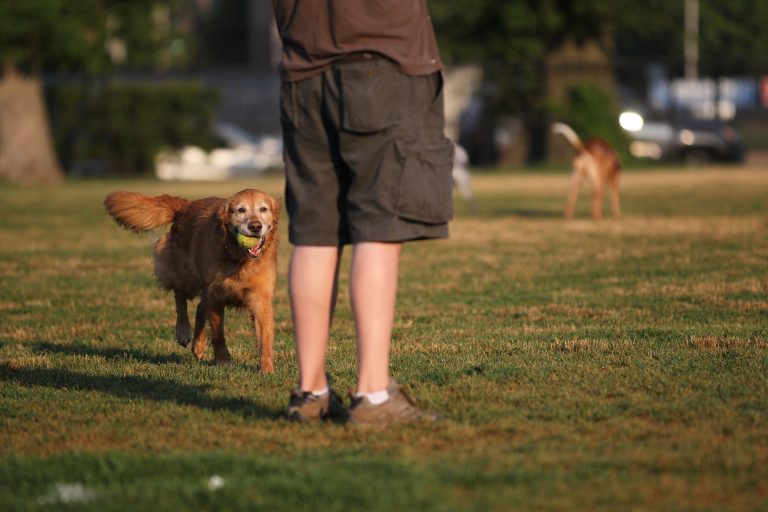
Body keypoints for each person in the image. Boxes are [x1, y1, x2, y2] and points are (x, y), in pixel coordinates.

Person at [272, 0, 454, 426]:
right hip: (382, 62)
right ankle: (373, 394)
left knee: (314, 234)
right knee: (380, 226)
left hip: (303, 69)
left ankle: (309, 392)